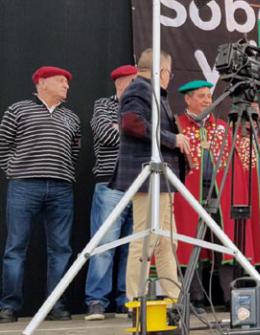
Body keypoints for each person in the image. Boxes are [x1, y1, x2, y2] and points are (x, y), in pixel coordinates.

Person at [0, 66, 81, 323]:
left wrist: (63, 172)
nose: (66, 86)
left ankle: (56, 306)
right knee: (16, 248)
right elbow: (3, 144)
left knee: (61, 249)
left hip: (61, 188)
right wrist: (13, 170)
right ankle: (9, 307)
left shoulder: (72, 117)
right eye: (60, 81)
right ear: (42, 83)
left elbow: (74, 151)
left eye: (67, 82)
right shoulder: (18, 109)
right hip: (24, 186)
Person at [110, 49, 189, 304]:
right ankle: (136, 298)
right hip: (146, 175)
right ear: (163, 71)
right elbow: (132, 123)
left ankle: (172, 297)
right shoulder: (139, 89)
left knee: (166, 241)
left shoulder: (149, 91)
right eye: (170, 73)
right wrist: (172, 139)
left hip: (160, 177)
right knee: (145, 238)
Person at [84, 65, 138, 321]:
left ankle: (125, 299)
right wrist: (133, 131)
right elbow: (105, 134)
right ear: (120, 84)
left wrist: (125, 129)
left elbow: (151, 138)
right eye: (135, 82)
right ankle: (96, 300)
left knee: (131, 246)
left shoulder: (146, 107)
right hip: (110, 183)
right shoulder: (103, 105)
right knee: (104, 244)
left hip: (139, 184)